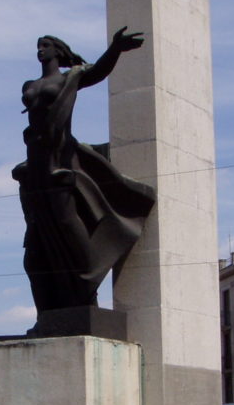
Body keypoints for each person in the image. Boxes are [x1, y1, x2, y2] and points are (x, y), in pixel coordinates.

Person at [14, 27, 156, 316]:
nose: (40, 50)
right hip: (34, 164)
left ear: (58, 51)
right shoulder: (29, 84)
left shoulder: (71, 77)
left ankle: (86, 283)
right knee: (35, 241)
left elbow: (98, 72)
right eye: (38, 45)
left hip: (59, 160)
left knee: (66, 224)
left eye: (45, 45)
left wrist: (115, 49)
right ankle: (48, 310)